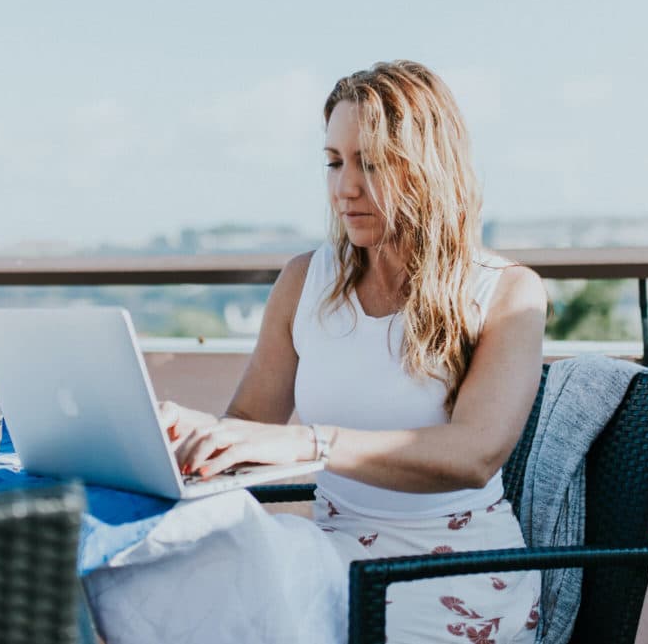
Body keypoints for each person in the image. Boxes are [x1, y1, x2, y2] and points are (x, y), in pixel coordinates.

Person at [87, 60, 545, 644]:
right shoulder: (306, 280)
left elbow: (475, 454)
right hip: (329, 559)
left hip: (453, 575)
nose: (344, 188)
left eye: (372, 164)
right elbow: (252, 423)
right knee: (155, 581)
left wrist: (311, 442)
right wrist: (194, 436)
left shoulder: (505, 292)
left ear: (429, 168)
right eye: (334, 162)